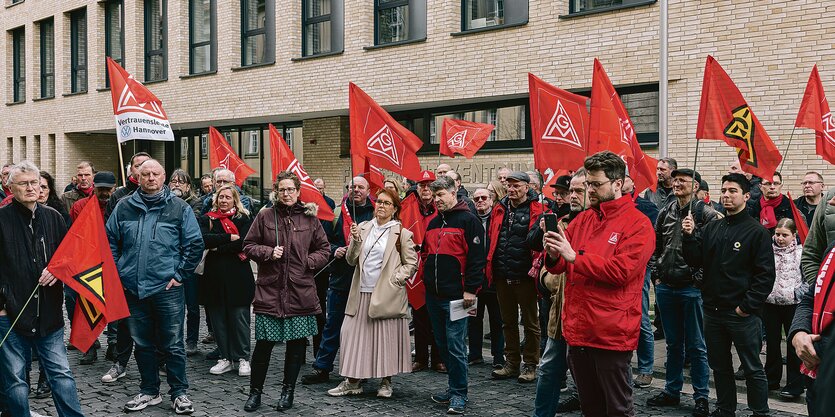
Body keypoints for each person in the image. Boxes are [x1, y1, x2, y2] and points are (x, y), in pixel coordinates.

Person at [543, 151, 655, 417]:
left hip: (610, 332)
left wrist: (574, 257)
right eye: (588, 184)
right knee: (589, 407)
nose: (590, 190)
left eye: (596, 184)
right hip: (577, 329)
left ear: (618, 183)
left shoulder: (638, 224)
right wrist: (554, 253)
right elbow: (559, 266)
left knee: (617, 408)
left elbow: (621, 272)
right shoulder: (583, 219)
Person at [106, 159, 204, 414]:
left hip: (167, 288)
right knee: (143, 344)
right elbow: (110, 242)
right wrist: (120, 272)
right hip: (133, 288)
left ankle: (179, 393)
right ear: (137, 177)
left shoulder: (179, 208)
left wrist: (180, 274)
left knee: (173, 344)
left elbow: (194, 244)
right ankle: (150, 391)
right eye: (145, 173)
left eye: (156, 173)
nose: (150, 178)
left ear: (164, 177)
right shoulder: (124, 206)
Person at [682, 172, 775, 417]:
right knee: (720, 366)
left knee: (753, 368)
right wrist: (690, 236)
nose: (726, 195)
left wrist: (746, 307)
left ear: (746, 195)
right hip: (712, 311)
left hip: (741, 314)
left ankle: (759, 411)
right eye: (724, 190)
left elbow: (765, 277)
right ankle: (725, 409)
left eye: (732, 191)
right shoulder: (713, 226)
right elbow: (696, 260)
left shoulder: (757, 232)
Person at [0, 161, 85, 417]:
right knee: (15, 378)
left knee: (61, 373)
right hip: (10, 314)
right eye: (23, 183)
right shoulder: (2, 219)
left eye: (34, 183)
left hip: (49, 312)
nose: (30, 188)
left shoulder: (53, 217)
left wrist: (57, 269)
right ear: (10, 187)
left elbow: (70, 255)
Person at [242, 171, 330, 412]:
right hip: (270, 291)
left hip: (300, 292)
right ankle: (255, 393)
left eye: (291, 189)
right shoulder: (265, 216)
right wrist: (268, 253)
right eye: (282, 189)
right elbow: (248, 245)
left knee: (296, 347)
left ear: (298, 191)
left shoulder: (310, 218)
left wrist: (308, 262)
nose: (287, 193)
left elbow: (324, 249)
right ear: (276, 192)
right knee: (263, 346)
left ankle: (287, 392)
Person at [327, 188, 418, 398]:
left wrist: (396, 279)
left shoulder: (401, 232)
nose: (381, 206)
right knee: (352, 336)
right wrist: (356, 241)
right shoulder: (364, 227)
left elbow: (411, 263)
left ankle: (386, 382)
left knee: (385, 338)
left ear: (395, 209)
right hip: (360, 292)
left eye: (387, 203)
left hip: (386, 294)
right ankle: (353, 381)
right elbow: (351, 260)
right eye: (379, 202)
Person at [645, 168, 718, 417]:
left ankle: (701, 396)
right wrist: (656, 275)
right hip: (666, 286)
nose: (677, 183)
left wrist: (698, 280)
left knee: (697, 346)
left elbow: (712, 253)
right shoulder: (666, 211)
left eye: (683, 180)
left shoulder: (707, 214)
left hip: (691, 289)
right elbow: (655, 245)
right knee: (673, 344)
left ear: (695, 186)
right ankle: (671, 390)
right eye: (675, 180)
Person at [301, 176, 376, 385]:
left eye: (361, 187)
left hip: (366, 281)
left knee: (363, 329)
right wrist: (336, 250)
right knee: (332, 325)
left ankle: (360, 370)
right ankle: (322, 368)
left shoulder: (377, 213)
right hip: (341, 278)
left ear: (368, 190)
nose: (356, 190)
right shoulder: (336, 213)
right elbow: (324, 243)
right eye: (352, 186)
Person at [423, 175, 486, 415]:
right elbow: (426, 255)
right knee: (442, 344)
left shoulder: (469, 221)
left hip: (459, 297)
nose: (436, 199)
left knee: (456, 346)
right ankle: (453, 386)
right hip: (433, 295)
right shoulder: (432, 223)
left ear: (453, 193)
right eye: (434, 195)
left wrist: (471, 289)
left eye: (440, 195)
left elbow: (477, 259)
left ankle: (459, 393)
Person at [530, 169, 588, 417]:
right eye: (570, 191)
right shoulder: (561, 224)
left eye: (578, 191)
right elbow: (546, 263)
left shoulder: (598, 227)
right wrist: (549, 279)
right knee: (548, 371)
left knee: (589, 379)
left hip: (588, 318)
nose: (572, 197)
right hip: (559, 315)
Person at [488, 171, 544, 383]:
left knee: (530, 322)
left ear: (526, 187)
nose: (512, 190)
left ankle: (530, 364)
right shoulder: (500, 208)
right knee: (507, 321)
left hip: (525, 275)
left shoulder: (536, 209)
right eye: (509, 186)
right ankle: (511, 361)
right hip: (502, 272)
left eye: (516, 186)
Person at [101, 151, 150, 382]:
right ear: (131, 169)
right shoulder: (119, 197)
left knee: (156, 323)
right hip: (127, 270)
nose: (141, 169)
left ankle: (158, 362)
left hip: (153, 272)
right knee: (124, 321)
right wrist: (117, 266)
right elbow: (111, 234)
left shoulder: (162, 195)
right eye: (137, 165)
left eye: (146, 165)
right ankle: (120, 363)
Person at [198, 185, 254, 378]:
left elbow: (245, 243)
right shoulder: (207, 218)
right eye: (220, 197)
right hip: (214, 277)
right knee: (218, 319)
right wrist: (229, 237)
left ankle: (243, 358)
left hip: (238, 276)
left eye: (228, 197)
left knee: (239, 318)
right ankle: (225, 357)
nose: (223, 200)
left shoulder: (243, 219)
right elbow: (203, 240)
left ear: (235, 200)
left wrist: (218, 247)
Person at [67, 171, 117, 366]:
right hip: (87, 262)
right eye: (100, 189)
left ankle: (113, 343)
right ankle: (89, 345)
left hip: (112, 262)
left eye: (107, 190)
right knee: (86, 305)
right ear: (94, 187)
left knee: (112, 304)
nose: (104, 193)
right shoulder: (80, 206)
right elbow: (74, 234)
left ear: (113, 188)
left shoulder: (119, 205)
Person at [405, 170, 446, 373]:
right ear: (418, 188)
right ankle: (421, 358)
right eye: (422, 185)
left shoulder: (441, 208)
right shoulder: (409, 207)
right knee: (420, 315)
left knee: (437, 317)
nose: (426, 189)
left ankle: (438, 358)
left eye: (429, 185)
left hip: (437, 267)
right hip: (415, 268)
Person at [763, 218, 806, 399]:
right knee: (772, 343)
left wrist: (799, 293)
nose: (780, 238)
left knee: (792, 344)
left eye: (785, 235)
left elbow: (808, 277)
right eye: (777, 234)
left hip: (793, 305)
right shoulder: (767, 251)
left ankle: (795, 384)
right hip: (770, 303)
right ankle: (772, 378)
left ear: (793, 235)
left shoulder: (802, 252)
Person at [467, 187, 505, 369]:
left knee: (497, 320)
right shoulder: (469, 221)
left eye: (484, 197)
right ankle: (474, 354)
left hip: (494, 278)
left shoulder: (499, 220)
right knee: (473, 318)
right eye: (476, 198)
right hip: (475, 278)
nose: (480, 201)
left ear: (491, 200)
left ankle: (499, 356)